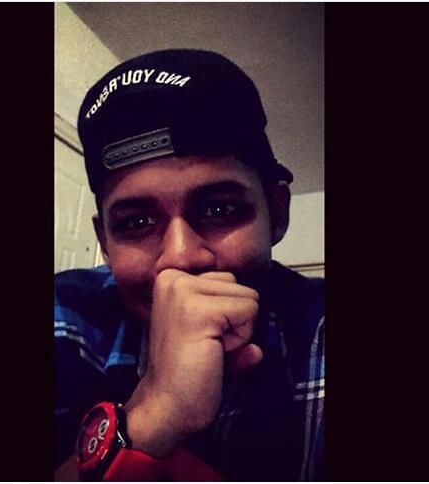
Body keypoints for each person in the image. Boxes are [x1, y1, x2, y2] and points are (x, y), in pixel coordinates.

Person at [55, 49, 324, 481]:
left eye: (219, 210)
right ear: (104, 242)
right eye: (136, 223)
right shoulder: (62, 319)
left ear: (277, 213)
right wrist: (150, 416)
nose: (180, 257)